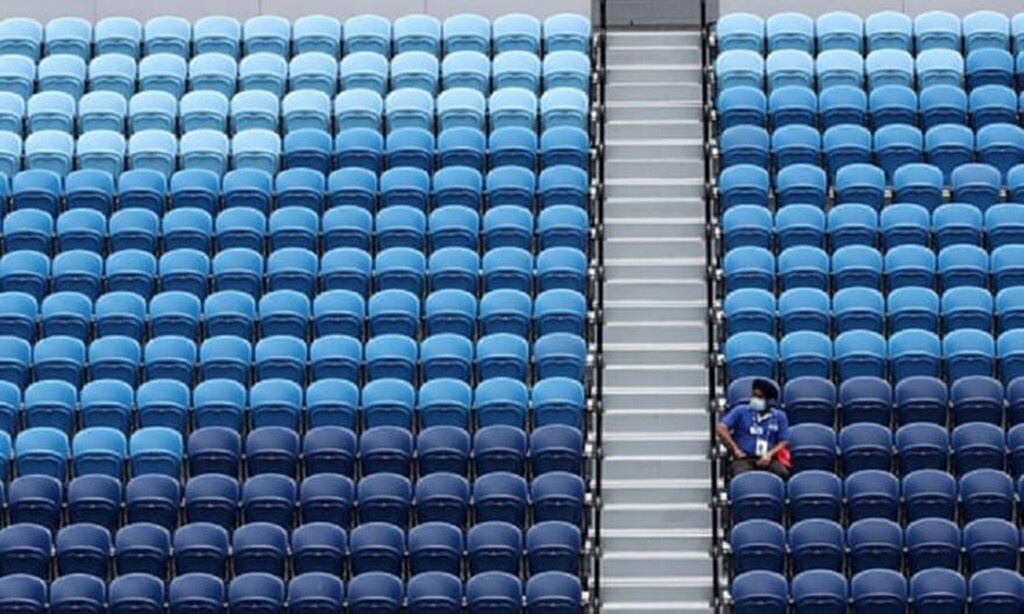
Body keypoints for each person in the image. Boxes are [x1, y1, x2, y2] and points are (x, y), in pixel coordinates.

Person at [717, 378, 790, 480]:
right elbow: (721, 428)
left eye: (760, 397)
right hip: (744, 458)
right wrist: (735, 449)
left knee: (782, 473)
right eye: (753, 395)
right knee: (742, 476)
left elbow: (784, 440)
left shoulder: (780, 416)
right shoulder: (740, 411)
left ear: (769, 401)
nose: (755, 399)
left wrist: (769, 455)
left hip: (768, 458)